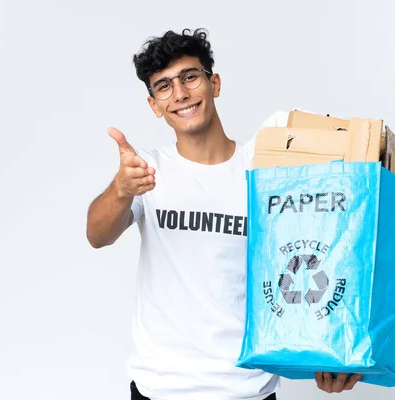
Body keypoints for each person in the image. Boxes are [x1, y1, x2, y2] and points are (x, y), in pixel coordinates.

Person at [86, 28, 362, 400]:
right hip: (161, 388)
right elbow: (97, 235)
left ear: (214, 83)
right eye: (164, 86)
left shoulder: (266, 170)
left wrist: (334, 351)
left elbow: (312, 254)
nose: (180, 94)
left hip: (247, 389)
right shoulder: (148, 171)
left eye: (190, 77)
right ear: (154, 105)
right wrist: (121, 189)